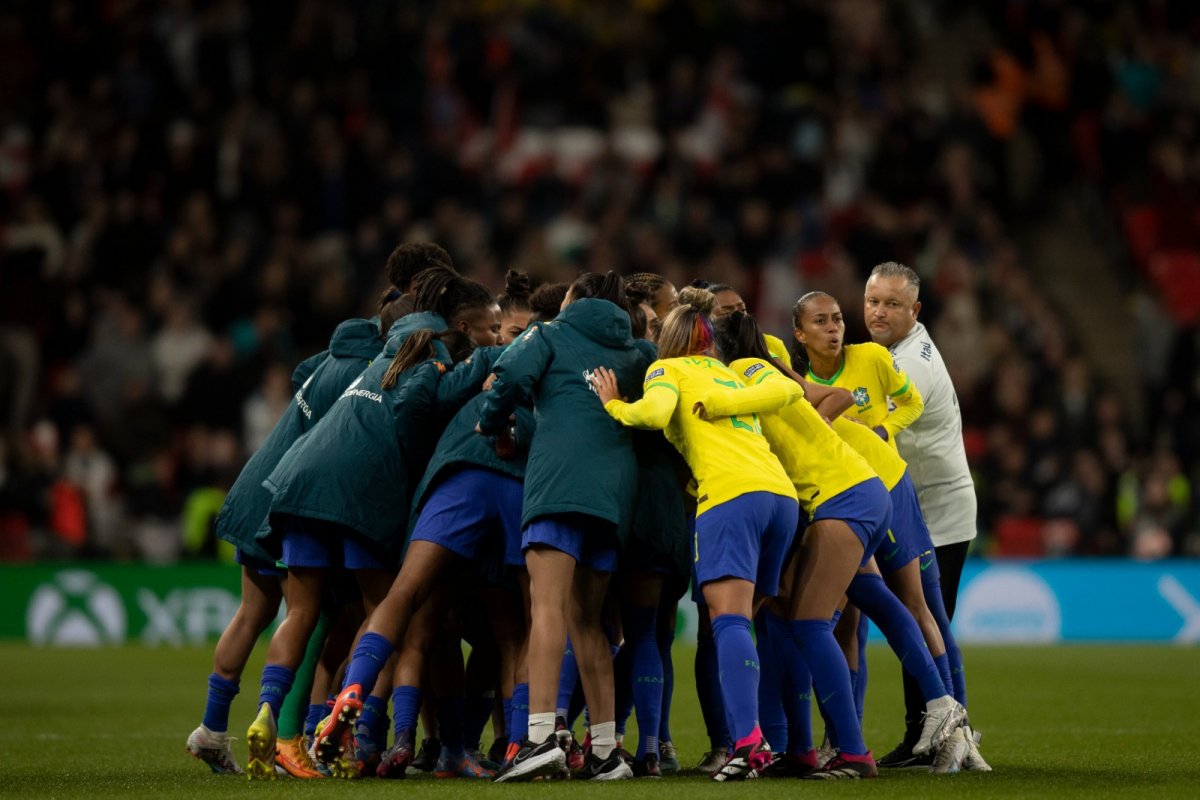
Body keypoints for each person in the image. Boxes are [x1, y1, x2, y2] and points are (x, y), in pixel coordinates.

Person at [242, 272, 498, 780]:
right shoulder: (431, 365)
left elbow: (305, 376)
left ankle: (274, 721)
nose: (491, 338)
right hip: (356, 493)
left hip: (299, 479)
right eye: (487, 331)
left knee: (302, 612)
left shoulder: (379, 361)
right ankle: (357, 725)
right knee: (387, 613)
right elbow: (423, 404)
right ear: (456, 331)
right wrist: (494, 360)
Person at [706, 312, 965, 780]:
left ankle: (854, 751)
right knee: (864, 600)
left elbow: (783, 400)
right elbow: (826, 398)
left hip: (840, 496)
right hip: (855, 488)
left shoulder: (744, 375)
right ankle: (935, 703)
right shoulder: (770, 370)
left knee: (808, 623)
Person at [185, 294, 402, 777]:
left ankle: (212, 730)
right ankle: (291, 735)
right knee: (314, 614)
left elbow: (297, 377)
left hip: (254, 485)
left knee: (253, 612)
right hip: (296, 497)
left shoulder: (326, 361)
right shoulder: (368, 370)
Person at [591, 299, 801, 782]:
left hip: (730, 497)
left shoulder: (667, 369)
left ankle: (747, 742)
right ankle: (767, 738)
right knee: (746, 622)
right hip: (780, 499)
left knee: (726, 622)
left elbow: (656, 411)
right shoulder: (733, 375)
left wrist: (614, 405)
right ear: (709, 340)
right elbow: (786, 390)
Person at [863, 261, 987, 771]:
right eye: (873, 301)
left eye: (892, 304)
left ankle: (942, 734)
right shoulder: (892, 352)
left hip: (939, 510)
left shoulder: (909, 363)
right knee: (924, 621)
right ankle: (935, 734)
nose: (879, 311)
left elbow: (870, 429)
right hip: (920, 506)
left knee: (928, 622)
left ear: (915, 310)